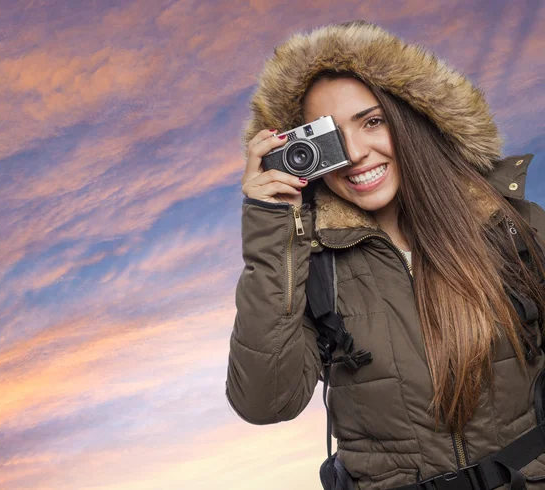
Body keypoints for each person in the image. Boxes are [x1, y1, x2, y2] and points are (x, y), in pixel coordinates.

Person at [225, 21, 545, 490]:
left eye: (372, 122)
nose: (354, 154)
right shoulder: (309, 263)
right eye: (328, 140)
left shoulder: (512, 225)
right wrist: (273, 233)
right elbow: (265, 403)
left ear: (413, 117)